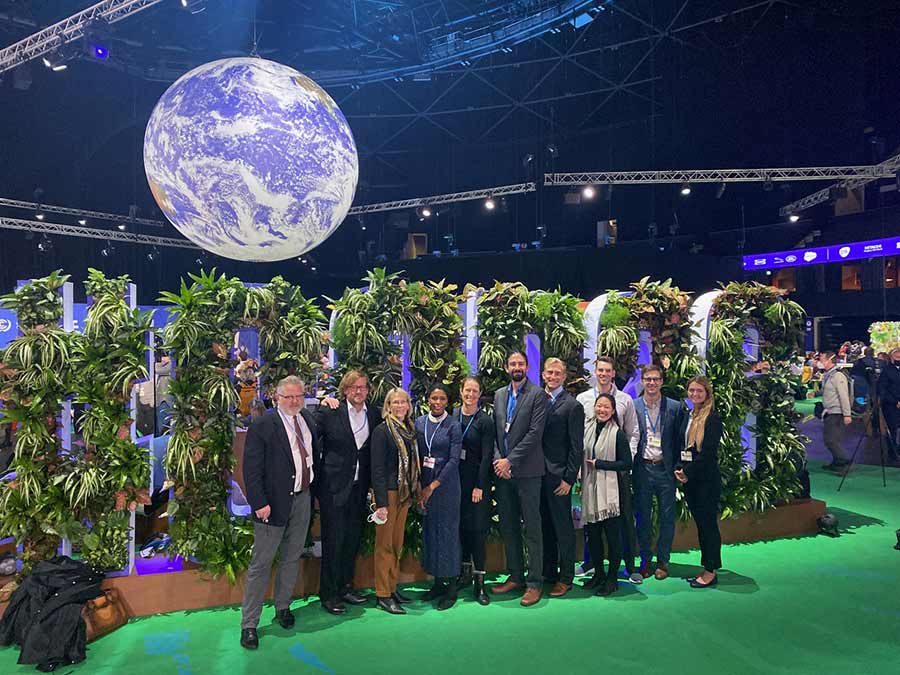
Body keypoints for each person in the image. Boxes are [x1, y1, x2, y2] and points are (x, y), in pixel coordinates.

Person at [240, 376, 320, 650]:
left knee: (291, 558)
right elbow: (251, 471)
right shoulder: (263, 426)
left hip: (302, 499)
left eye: (299, 396)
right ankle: (249, 624)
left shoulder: (307, 420)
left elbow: (312, 457)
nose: (295, 401)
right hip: (271, 506)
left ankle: (283, 607)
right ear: (277, 398)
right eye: (289, 397)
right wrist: (259, 503)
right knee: (260, 565)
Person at [315, 370, 382, 615]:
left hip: (359, 489)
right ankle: (328, 594)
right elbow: (311, 437)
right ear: (345, 390)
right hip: (333, 488)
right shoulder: (330, 411)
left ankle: (345, 587)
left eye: (363, 387)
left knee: (352, 540)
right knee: (334, 541)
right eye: (354, 387)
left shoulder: (373, 414)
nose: (359, 391)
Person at [575, 356, 641, 583]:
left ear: (613, 373)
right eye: (599, 370)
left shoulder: (625, 400)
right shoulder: (582, 398)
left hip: (615, 477)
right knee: (592, 528)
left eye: (607, 370)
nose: (603, 374)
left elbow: (633, 432)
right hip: (590, 477)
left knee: (618, 527)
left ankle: (625, 570)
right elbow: (578, 437)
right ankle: (594, 569)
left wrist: (621, 461)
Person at [491, 349, 547, 607]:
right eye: (512, 363)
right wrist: (498, 461)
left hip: (527, 472)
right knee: (509, 526)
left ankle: (535, 583)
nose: (517, 367)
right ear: (506, 367)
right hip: (504, 474)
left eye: (521, 363)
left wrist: (510, 461)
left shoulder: (537, 395)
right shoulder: (500, 395)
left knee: (532, 529)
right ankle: (515, 576)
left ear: (527, 367)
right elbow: (496, 432)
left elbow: (535, 433)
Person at [370, 387, 420, 615]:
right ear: (388, 406)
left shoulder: (409, 431)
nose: (400, 406)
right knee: (385, 545)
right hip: (388, 495)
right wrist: (381, 503)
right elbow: (377, 469)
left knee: (397, 544)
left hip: (404, 494)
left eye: (404, 402)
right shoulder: (382, 431)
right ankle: (382, 594)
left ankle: (392, 588)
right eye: (395, 403)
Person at [539, 357, 584, 598]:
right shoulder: (536, 399)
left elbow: (577, 447)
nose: (553, 377)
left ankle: (565, 577)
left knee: (563, 529)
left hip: (559, 479)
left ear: (564, 377)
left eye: (557, 373)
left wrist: (569, 479)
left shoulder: (572, 406)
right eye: (549, 373)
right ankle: (547, 572)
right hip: (537, 476)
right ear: (543, 374)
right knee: (544, 526)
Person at [416, 383, 463, 610]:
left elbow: (454, 460)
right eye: (433, 398)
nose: (437, 402)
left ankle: (452, 588)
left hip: (446, 487)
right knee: (431, 533)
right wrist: (420, 487)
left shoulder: (453, 425)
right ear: (428, 400)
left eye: (441, 399)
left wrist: (433, 485)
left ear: (447, 402)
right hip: (425, 486)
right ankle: (437, 583)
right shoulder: (419, 423)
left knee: (448, 535)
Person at [674, 376, 724, 589]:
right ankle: (707, 567)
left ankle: (711, 570)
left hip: (706, 480)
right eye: (692, 391)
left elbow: (708, 454)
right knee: (702, 525)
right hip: (691, 479)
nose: (695, 394)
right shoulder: (689, 416)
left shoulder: (712, 418)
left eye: (699, 391)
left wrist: (688, 472)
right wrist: (680, 468)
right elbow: (684, 446)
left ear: (707, 394)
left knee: (708, 526)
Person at [582, 393, 633, 597]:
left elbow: (626, 463)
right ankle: (599, 574)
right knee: (593, 536)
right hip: (591, 489)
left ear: (612, 411)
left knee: (612, 538)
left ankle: (612, 578)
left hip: (611, 493)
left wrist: (600, 464)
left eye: (606, 407)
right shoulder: (588, 429)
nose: (602, 410)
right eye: (599, 406)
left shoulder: (618, 434)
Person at [633, 365, 680, 580]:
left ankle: (663, 561)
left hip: (665, 470)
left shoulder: (674, 407)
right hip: (642, 468)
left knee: (667, 517)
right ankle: (645, 559)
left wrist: (679, 467)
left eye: (656, 379)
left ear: (662, 381)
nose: (652, 383)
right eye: (648, 379)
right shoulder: (633, 406)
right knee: (643, 516)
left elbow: (681, 440)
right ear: (642, 381)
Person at [453, 376, 495, 605]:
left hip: (477, 486)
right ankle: (464, 575)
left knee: (478, 533)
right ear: (461, 392)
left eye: (475, 391)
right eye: (467, 390)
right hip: (456, 485)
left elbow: (487, 456)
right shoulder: (454, 416)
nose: (470, 394)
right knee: (462, 531)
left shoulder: (485, 421)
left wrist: (480, 485)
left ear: (479, 394)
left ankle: (480, 584)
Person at [818, 351, 852, 473]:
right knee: (830, 439)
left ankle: (845, 462)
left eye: (822, 359)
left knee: (832, 440)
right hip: (829, 411)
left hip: (836, 412)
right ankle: (837, 462)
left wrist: (847, 414)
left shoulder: (838, 376)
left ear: (829, 360)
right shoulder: (828, 375)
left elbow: (843, 396)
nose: (820, 362)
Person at [877, 347, 900, 458]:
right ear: (891, 358)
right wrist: (895, 401)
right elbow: (882, 389)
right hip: (891, 405)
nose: (898, 359)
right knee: (892, 429)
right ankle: (892, 452)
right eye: (896, 357)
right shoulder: (886, 370)